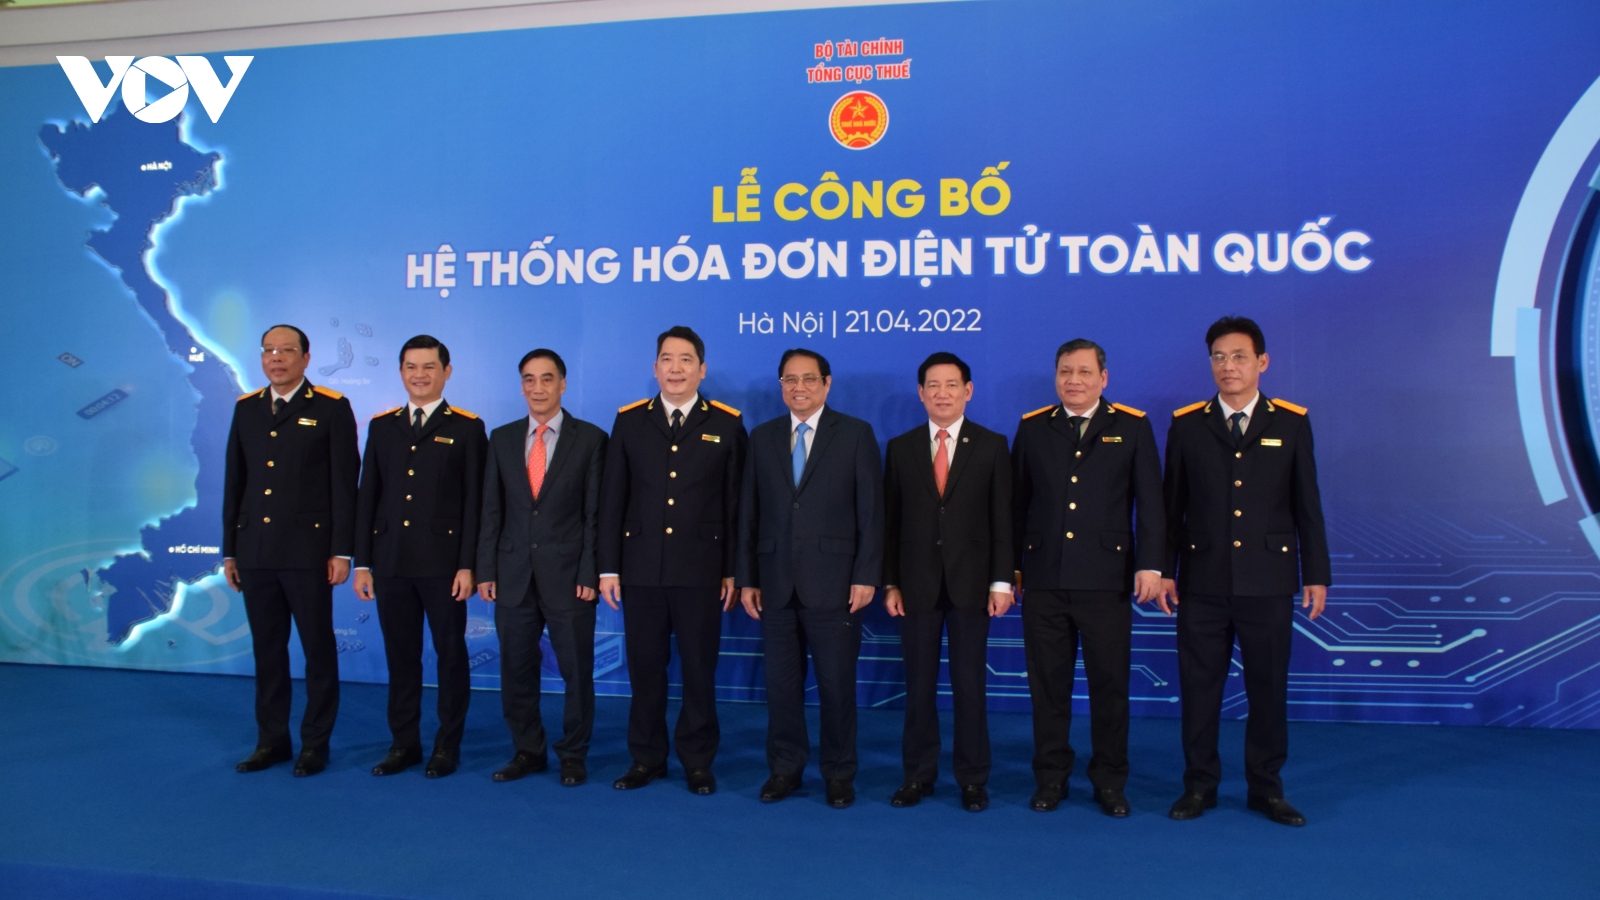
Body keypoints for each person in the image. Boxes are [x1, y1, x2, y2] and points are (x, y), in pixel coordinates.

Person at [1158, 316, 1330, 827]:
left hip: (1268, 580)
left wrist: (1316, 573)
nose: (1227, 366)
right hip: (1202, 580)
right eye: (1218, 357)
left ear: (1262, 362)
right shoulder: (1188, 424)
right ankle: (1199, 786)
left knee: (1268, 689)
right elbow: (1171, 508)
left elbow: (1307, 506)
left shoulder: (1291, 423)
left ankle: (1266, 789)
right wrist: (1164, 570)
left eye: (1238, 357)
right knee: (1199, 689)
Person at [1012, 338, 1163, 817]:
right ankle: (1051, 778)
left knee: (1110, 686)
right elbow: (1015, 505)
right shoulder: (1034, 428)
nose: (1073, 380)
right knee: (1048, 687)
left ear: (1104, 377)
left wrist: (1151, 564)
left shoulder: (1132, 426)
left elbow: (1151, 503)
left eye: (1083, 372)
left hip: (1106, 579)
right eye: (1065, 372)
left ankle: (1110, 781)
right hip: (1044, 579)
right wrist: (1011, 569)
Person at [598, 326, 747, 796]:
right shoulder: (630, 422)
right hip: (640, 568)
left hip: (701, 569)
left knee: (700, 670)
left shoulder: (726, 423)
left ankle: (698, 761)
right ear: (655, 367)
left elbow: (736, 505)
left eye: (686, 360)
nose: (676, 368)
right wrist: (608, 567)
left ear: (701, 369)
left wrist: (732, 569)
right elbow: (612, 499)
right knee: (645, 668)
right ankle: (646, 758)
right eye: (667, 358)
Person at [736, 349, 883, 809]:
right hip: (775, 584)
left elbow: (872, 513)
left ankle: (839, 773)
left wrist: (866, 575)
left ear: (826, 383)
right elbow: (749, 513)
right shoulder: (762, 437)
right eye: (789, 379)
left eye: (808, 379)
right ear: (780, 385)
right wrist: (747, 578)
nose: (798, 387)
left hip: (836, 584)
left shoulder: (855, 434)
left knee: (836, 687)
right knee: (781, 688)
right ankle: (785, 769)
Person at [223, 324, 359, 777]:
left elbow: (344, 485)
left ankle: (315, 743)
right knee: (268, 651)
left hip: (308, 553)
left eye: (286, 350)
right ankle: (272, 741)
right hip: (255, 551)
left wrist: (341, 551)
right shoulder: (246, 408)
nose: (276, 358)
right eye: (269, 351)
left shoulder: (330, 407)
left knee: (318, 650)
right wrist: (230, 551)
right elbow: (235, 482)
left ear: (305, 358)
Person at [882, 352, 1014, 813]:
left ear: (968, 391)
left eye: (951, 384)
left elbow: (1003, 520)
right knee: (918, 687)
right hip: (915, 585)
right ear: (921, 393)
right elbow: (890, 522)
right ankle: (917, 775)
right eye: (933, 386)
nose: (942, 393)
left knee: (969, 686)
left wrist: (1001, 582)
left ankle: (973, 778)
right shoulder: (900, 448)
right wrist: (890, 582)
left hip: (972, 585)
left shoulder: (992, 445)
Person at [352, 335, 486, 779]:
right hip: (391, 562)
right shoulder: (383, 426)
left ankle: (447, 745)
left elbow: (475, 503)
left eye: (429, 366)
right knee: (401, 657)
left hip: (443, 566)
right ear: (400, 372)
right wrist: (363, 563)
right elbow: (368, 497)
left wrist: (468, 565)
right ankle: (403, 743)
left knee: (450, 656)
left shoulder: (467, 427)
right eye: (411, 366)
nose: (419, 375)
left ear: (447, 372)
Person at [476, 349, 607, 787]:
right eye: (529, 379)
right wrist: (486, 569)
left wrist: (590, 572)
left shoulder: (591, 439)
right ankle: (527, 750)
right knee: (516, 670)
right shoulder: (501, 438)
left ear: (562, 384)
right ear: (521, 386)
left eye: (547, 379)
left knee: (576, 671)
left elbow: (595, 515)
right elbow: (491, 510)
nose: (538, 388)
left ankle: (573, 753)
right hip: (512, 574)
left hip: (569, 578)